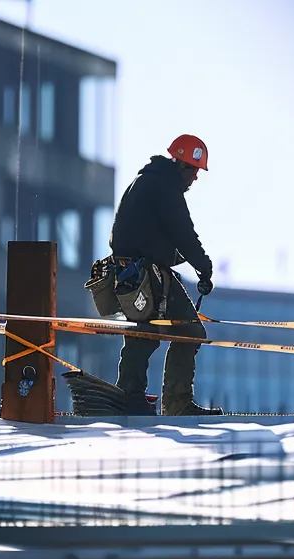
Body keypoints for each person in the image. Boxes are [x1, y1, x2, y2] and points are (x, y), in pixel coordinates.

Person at [103, 134, 221, 416]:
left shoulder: (147, 181)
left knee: (144, 332)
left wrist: (183, 259)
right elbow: (182, 232)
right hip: (145, 274)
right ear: (182, 165)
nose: (195, 179)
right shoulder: (165, 186)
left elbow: (157, 235)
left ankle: (129, 395)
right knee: (188, 330)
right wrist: (203, 266)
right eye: (194, 171)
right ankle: (174, 403)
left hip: (131, 272)